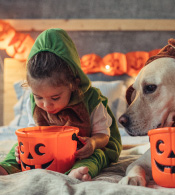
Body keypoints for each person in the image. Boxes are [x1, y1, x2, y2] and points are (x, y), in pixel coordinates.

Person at [0, 28, 122, 181]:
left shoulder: (91, 101)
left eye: (55, 98)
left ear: (73, 85)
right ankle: (5, 168)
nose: (46, 105)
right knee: (17, 149)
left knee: (98, 155)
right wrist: (22, 150)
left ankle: (79, 171)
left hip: (81, 151)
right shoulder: (32, 103)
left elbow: (104, 136)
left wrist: (93, 142)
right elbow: (32, 135)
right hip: (46, 150)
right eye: (38, 97)